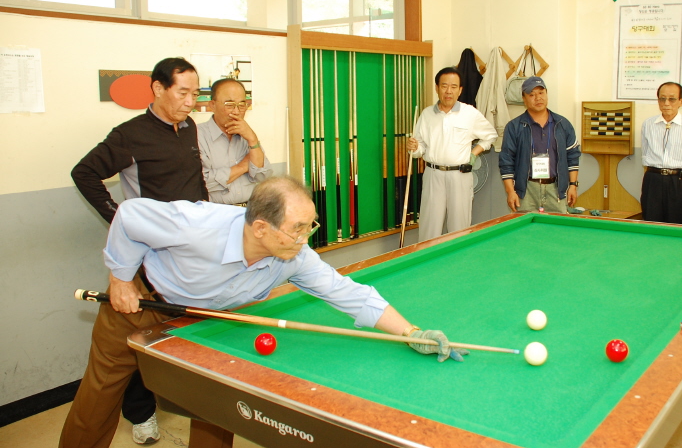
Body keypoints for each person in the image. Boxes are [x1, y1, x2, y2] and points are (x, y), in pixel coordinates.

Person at [59, 177, 465, 448]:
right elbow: (130, 216)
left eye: (311, 225)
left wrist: (411, 331)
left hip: (209, 321)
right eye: (298, 228)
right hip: (142, 302)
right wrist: (120, 278)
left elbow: (347, 293)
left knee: (212, 402)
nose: (306, 238)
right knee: (100, 394)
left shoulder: (294, 256)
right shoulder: (197, 225)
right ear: (260, 229)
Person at [70, 57, 208, 444]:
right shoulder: (130, 134)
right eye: (183, 92)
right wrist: (120, 219)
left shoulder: (189, 127)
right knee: (124, 356)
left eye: (195, 93)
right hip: (145, 265)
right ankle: (138, 414)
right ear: (159, 88)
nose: (190, 101)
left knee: (202, 357)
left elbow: (195, 185)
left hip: (190, 259)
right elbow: (84, 173)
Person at [407, 67, 497, 242]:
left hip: (460, 175)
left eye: (454, 87)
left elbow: (491, 135)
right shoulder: (426, 114)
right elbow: (420, 149)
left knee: (460, 226)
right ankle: (428, 263)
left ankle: (459, 265)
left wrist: (474, 153)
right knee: (429, 226)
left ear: (460, 90)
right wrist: (414, 146)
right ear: (437, 87)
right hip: (433, 174)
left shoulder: (469, 113)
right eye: (444, 86)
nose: (449, 91)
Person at [499, 76, 581, 213]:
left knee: (556, 230)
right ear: (524, 99)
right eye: (531, 94)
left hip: (556, 190)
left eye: (541, 93)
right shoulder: (514, 127)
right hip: (526, 190)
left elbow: (573, 156)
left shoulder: (562, 124)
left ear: (547, 94)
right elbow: (506, 161)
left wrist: (573, 185)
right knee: (525, 233)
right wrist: (510, 191)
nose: (538, 98)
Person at [199, 79, 272, 205]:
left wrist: (253, 139)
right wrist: (243, 166)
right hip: (216, 213)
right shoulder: (197, 135)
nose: (236, 112)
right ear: (212, 105)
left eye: (242, 105)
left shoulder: (247, 135)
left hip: (250, 211)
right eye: (229, 104)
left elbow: (263, 176)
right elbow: (201, 183)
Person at [640, 82, 682, 224]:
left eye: (672, 99)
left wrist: (679, 176)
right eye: (662, 99)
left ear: (681, 101)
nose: (666, 103)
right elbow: (645, 155)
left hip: (679, 182)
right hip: (653, 180)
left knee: (678, 223)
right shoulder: (648, 124)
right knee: (651, 223)